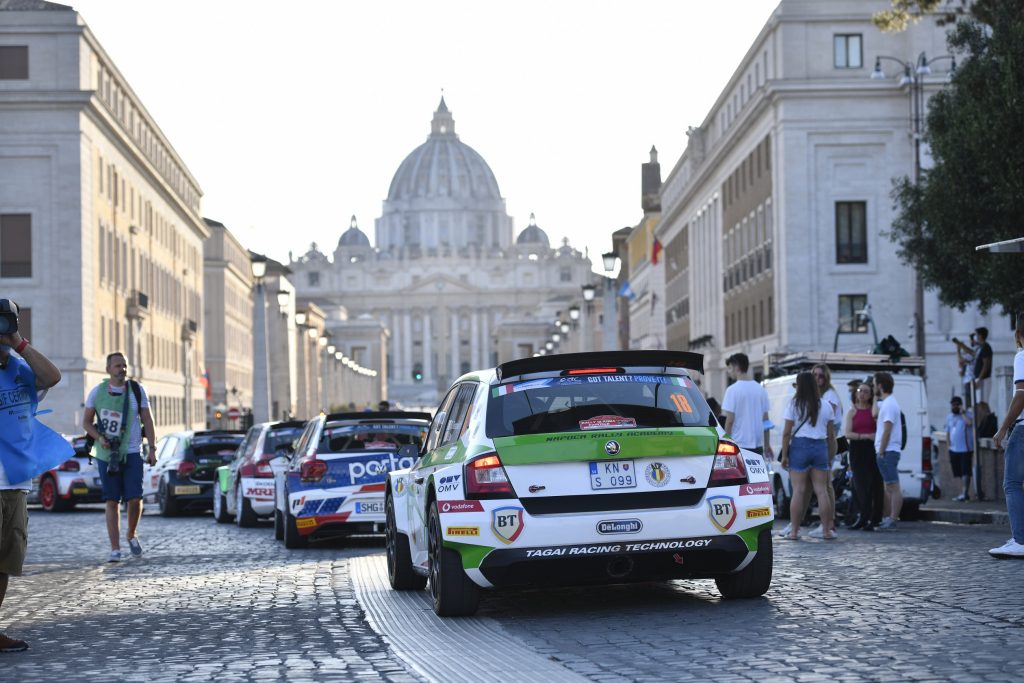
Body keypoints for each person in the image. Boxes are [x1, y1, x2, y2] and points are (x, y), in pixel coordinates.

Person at [0, 304, 70, 652]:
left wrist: (17, 342)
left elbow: (53, 376)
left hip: (12, 484)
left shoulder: (21, 370)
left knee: (5, 561)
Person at [82, 352, 157, 563]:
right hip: (106, 453)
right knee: (112, 500)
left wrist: (152, 448)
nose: (122, 369)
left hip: (133, 450)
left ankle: (131, 534)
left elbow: (148, 421)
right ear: (108, 369)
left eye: (124, 365)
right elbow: (86, 423)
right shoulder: (97, 392)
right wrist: (99, 437)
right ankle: (115, 549)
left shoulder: (136, 390)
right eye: (117, 365)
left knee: (135, 498)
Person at [779, 371, 837, 540]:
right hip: (820, 447)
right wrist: (830, 456)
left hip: (800, 447)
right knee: (822, 491)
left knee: (798, 491)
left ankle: (795, 531)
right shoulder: (826, 405)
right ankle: (826, 530)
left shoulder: (794, 404)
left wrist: (784, 455)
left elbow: (786, 433)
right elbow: (831, 436)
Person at [990, 313, 1024, 558]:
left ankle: (1020, 540)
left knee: (1012, 483)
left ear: (1018, 334)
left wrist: (1003, 427)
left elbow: (1021, 394)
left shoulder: (1022, 355)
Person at [844, 382, 883, 531]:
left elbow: (879, 427)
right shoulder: (852, 412)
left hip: (872, 450)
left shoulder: (874, 411)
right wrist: (865, 436)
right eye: (860, 391)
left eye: (866, 391)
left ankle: (874, 518)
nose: (862, 394)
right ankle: (862, 516)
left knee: (875, 484)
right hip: (857, 450)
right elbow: (848, 433)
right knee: (859, 484)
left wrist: (874, 402)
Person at [810, 363, 842, 537]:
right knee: (823, 485)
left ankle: (829, 524)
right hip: (822, 442)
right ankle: (827, 523)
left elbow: (827, 423)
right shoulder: (820, 395)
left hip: (826, 442)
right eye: (814, 375)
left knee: (826, 485)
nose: (817, 379)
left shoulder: (830, 396)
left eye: (820, 376)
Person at [721, 353, 772, 457]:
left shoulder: (732, 390)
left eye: (730, 368)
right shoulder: (761, 389)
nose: (729, 371)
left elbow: (729, 421)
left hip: (739, 446)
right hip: (758, 447)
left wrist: (726, 444)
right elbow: (766, 420)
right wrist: (767, 445)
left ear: (737, 367)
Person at [874, 371, 903, 530]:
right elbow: (874, 413)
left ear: (880, 385)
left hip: (888, 451)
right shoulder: (885, 403)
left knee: (894, 486)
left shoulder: (890, 404)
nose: (873, 387)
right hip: (886, 450)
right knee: (889, 486)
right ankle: (889, 517)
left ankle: (892, 518)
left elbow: (887, 429)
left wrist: (881, 450)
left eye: (874, 384)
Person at [944, 396, 973, 502]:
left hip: (965, 449)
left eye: (956, 404)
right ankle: (961, 492)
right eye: (953, 405)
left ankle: (965, 493)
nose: (954, 406)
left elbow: (970, 423)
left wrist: (962, 413)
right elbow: (947, 431)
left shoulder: (967, 415)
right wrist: (948, 446)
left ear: (960, 405)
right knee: (958, 472)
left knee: (966, 471)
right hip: (953, 449)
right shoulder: (949, 417)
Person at [973, 327, 993, 405]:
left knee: (983, 404)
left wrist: (979, 379)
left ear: (980, 336)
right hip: (980, 379)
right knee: (979, 403)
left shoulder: (986, 347)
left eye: (976, 334)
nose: (975, 336)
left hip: (984, 380)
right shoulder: (980, 347)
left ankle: (985, 417)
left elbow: (986, 365)